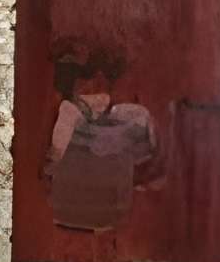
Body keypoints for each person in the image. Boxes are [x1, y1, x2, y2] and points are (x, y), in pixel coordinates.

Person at [44, 37, 163, 233]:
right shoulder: (132, 116)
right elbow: (146, 161)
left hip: (69, 210)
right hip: (107, 213)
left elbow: (52, 160)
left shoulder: (70, 113)